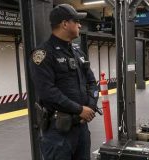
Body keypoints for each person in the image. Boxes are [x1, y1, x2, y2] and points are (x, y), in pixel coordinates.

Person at [29, 4, 99, 160]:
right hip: (58, 132)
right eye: (76, 21)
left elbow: (92, 82)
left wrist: (91, 106)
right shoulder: (43, 54)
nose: (80, 25)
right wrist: (80, 109)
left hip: (81, 128)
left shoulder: (78, 52)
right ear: (65, 24)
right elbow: (48, 92)